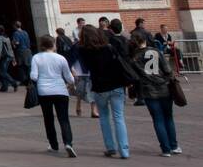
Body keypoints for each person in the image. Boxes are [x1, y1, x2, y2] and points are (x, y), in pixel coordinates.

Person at [78, 25, 131, 158]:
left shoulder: (84, 51)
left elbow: (86, 68)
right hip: (116, 85)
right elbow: (118, 64)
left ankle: (110, 147)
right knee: (119, 117)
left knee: (104, 117)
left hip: (99, 86)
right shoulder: (108, 47)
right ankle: (124, 150)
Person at [131, 33, 181, 156]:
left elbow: (136, 76)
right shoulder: (156, 51)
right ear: (146, 41)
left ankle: (165, 149)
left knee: (157, 119)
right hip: (164, 86)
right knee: (168, 117)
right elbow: (167, 70)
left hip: (148, 90)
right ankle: (174, 146)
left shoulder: (135, 57)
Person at [30, 35, 77, 157]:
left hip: (44, 91)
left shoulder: (36, 57)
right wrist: (71, 83)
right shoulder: (61, 58)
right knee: (64, 119)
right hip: (60, 90)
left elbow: (33, 76)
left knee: (48, 118)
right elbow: (69, 78)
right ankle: (68, 143)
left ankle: (53, 144)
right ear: (53, 44)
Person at [0, 24, 18, 92]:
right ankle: (4, 87)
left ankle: (14, 83)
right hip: (9, 56)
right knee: (4, 72)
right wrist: (13, 58)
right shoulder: (7, 37)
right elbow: (10, 48)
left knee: (2, 72)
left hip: (4, 57)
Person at [11, 21, 33, 86]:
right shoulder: (25, 32)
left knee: (21, 66)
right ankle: (30, 79)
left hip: (21, 51)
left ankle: (24, 80)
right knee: (28, 66)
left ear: (15, 26)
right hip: (28, 50)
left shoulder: (16, 33)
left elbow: (17, 42)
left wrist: (13, 43)